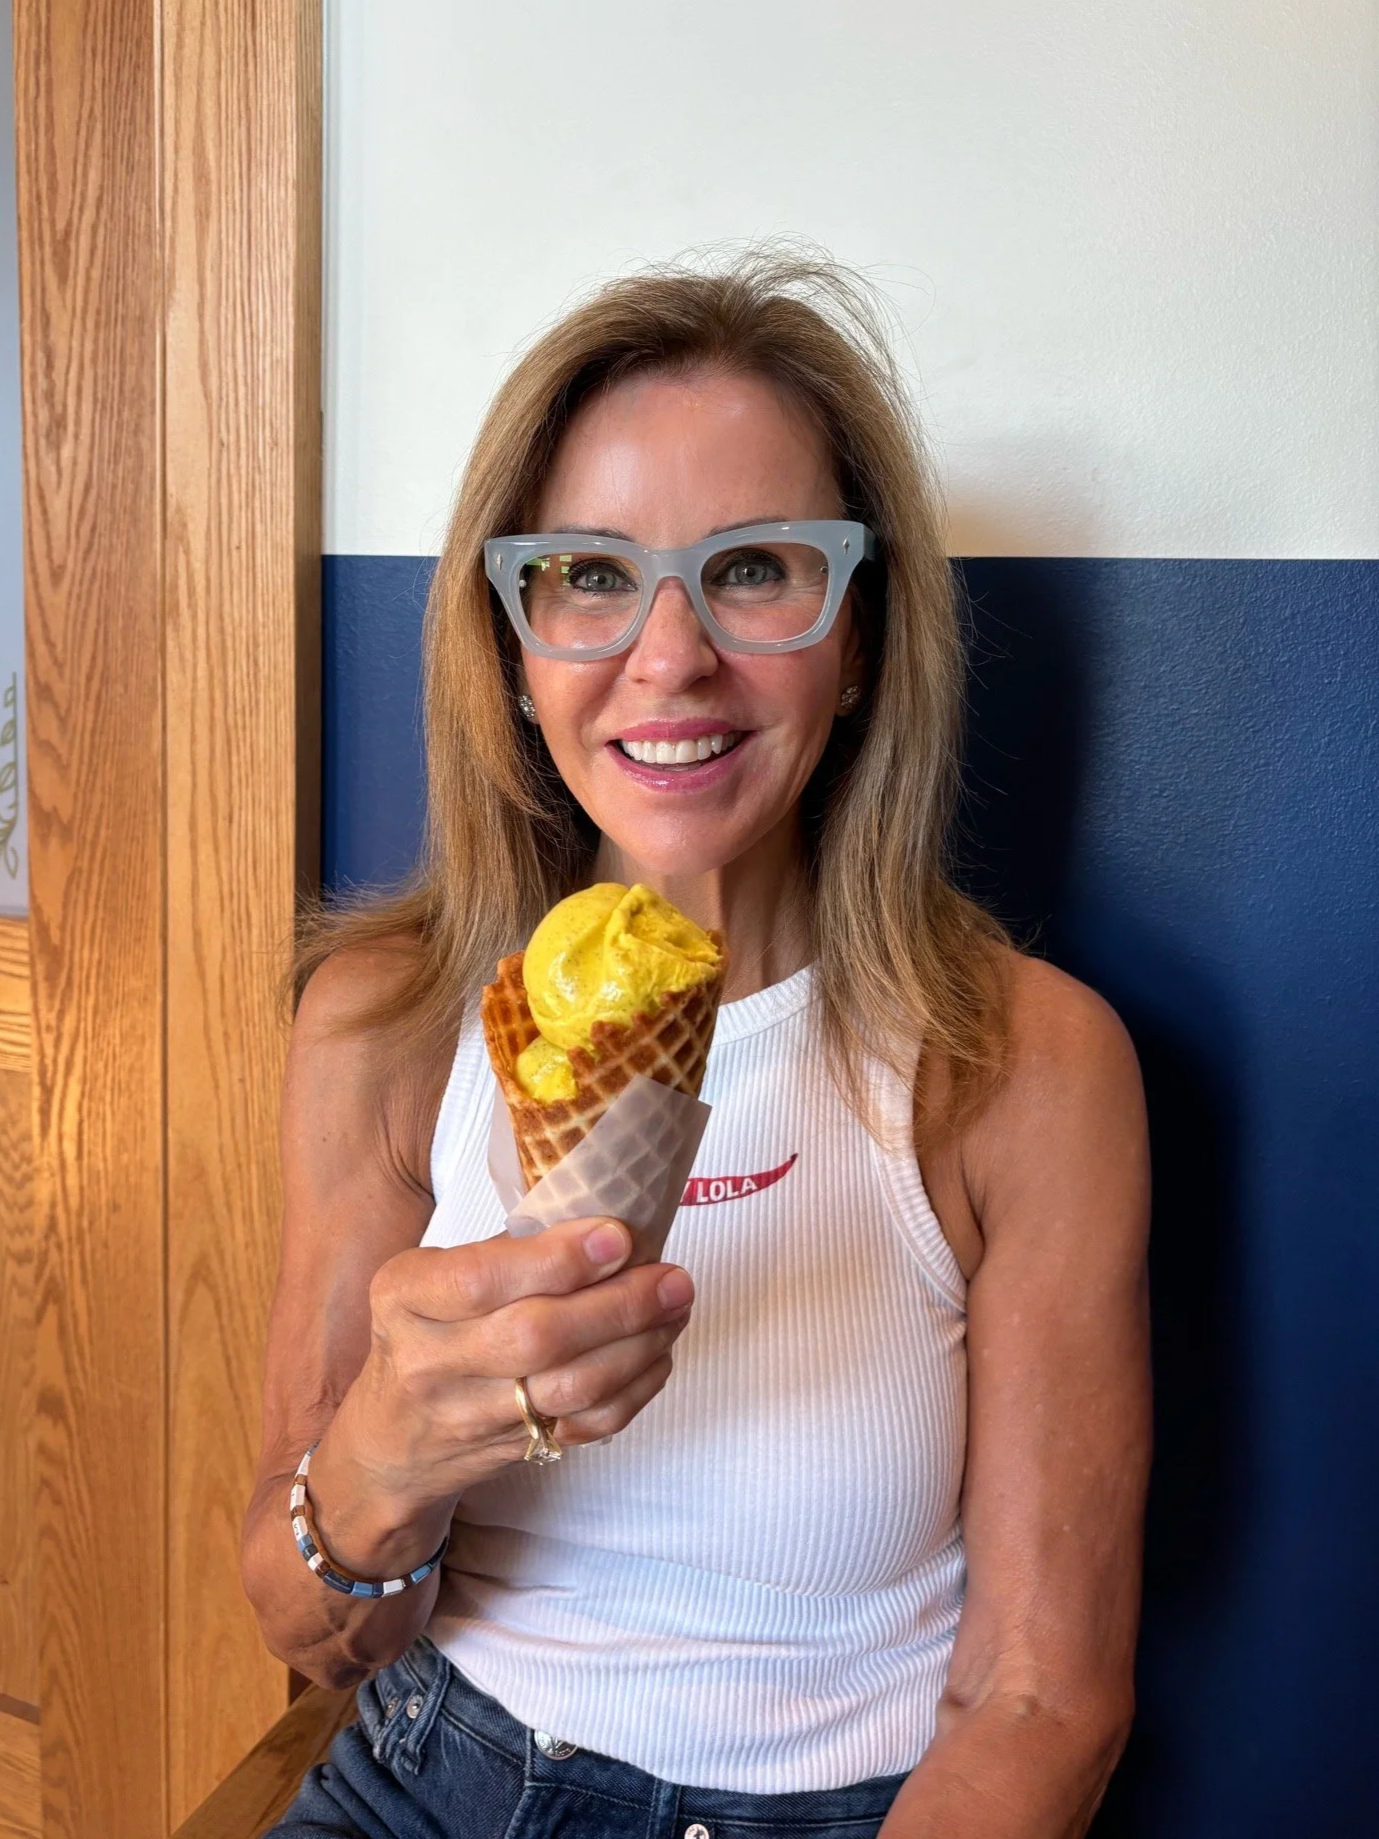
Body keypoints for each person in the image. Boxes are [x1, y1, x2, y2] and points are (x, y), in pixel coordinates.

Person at [244, 251, 1151, 1839]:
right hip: (423, 1779)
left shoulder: (1027, 1064)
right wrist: (389, 1447)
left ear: (858, 634)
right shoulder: (385, 1022)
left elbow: (1037, 1700)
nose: (666, 655)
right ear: (515, 649)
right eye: (587, 573)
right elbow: (310, 1626)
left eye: (753, 568)